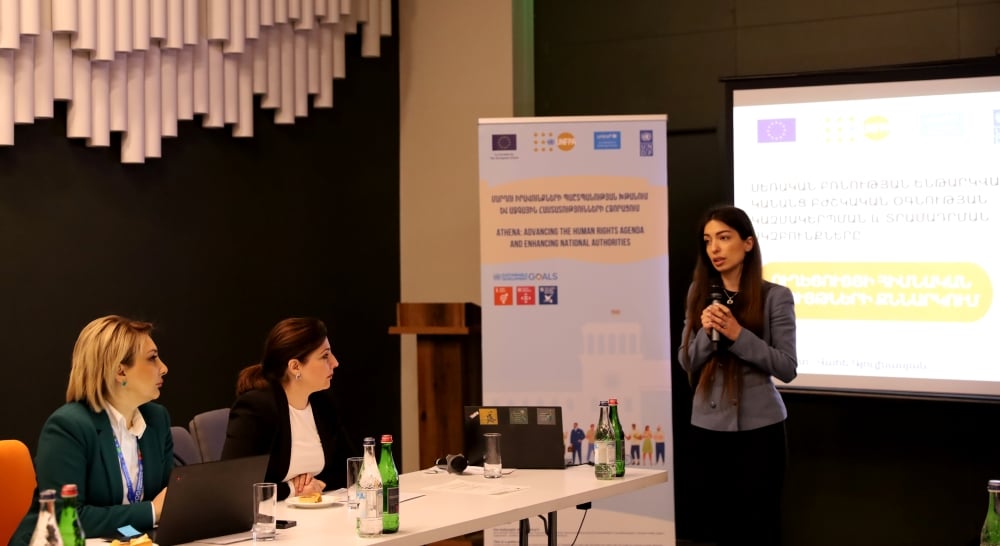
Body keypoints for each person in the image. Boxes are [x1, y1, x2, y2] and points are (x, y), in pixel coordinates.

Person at [678, 205, 797, 546]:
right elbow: (686, 360)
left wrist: (737, 333)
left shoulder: (775, 297)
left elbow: (787, 366)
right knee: (714, 527)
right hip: (707, 430)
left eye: (724, 238)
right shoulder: (698, 293)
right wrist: (706, 329)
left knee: (759, 527)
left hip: (760, 432)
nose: (714, 248)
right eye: (708, 240)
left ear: (747, 243)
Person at [12, 316, 173, 545]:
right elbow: (66, 518)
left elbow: (171, 496)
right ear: (120, 372)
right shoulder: (68, 427)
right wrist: (150, 512)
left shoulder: (156, 420)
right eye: (153, 358)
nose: (164, 368)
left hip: (128, 540)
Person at [221, 317, 352, 501]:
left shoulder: (322, 403)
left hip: (318, 516)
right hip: (270, 522)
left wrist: (317, 484)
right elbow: (234, 485)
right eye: (325, 356)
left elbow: (350, 469)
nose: (335, 362)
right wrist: (292, 489)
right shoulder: (257, 408)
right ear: (295, 366)